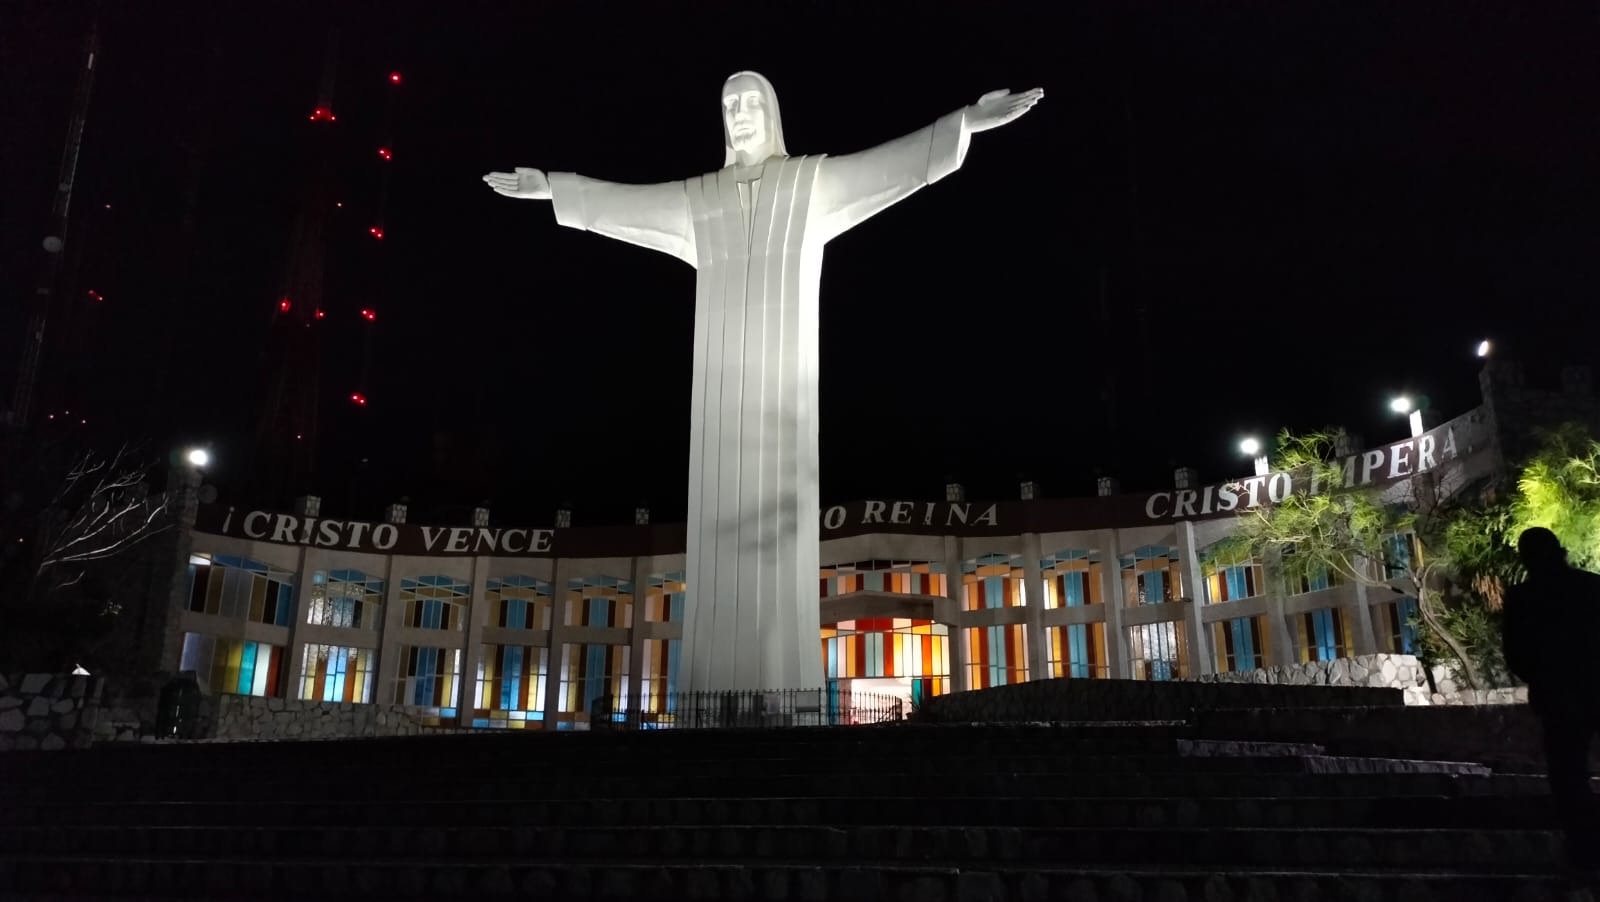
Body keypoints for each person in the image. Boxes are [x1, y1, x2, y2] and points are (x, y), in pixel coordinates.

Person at [1502, 526, 1600, 866]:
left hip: (1557, 696)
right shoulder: (1592, 586)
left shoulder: (1522, 598)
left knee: (1568, 776)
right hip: (1592, 687)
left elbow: (1515, 653)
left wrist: (1545, 678)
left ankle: (1584, 851)